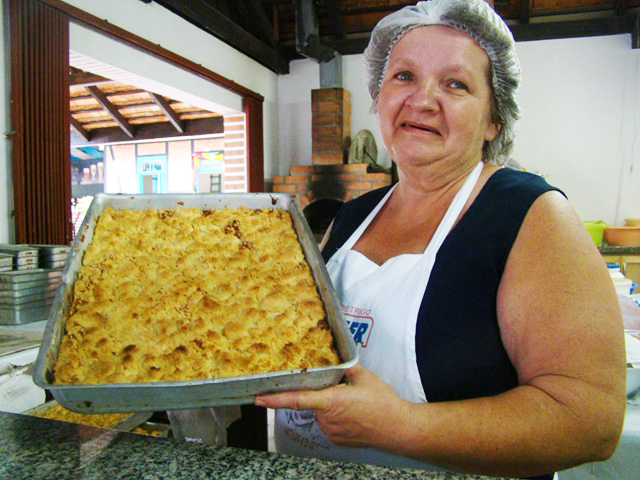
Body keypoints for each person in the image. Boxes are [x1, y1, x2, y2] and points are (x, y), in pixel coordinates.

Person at [255, 1, 627, 478]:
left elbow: (589, 419)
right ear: (379, 96)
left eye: (455, 84)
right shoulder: (350, 219)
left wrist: (399, 425)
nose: (422, 100)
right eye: (404, 77)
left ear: (494, 120)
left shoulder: (529, 215)